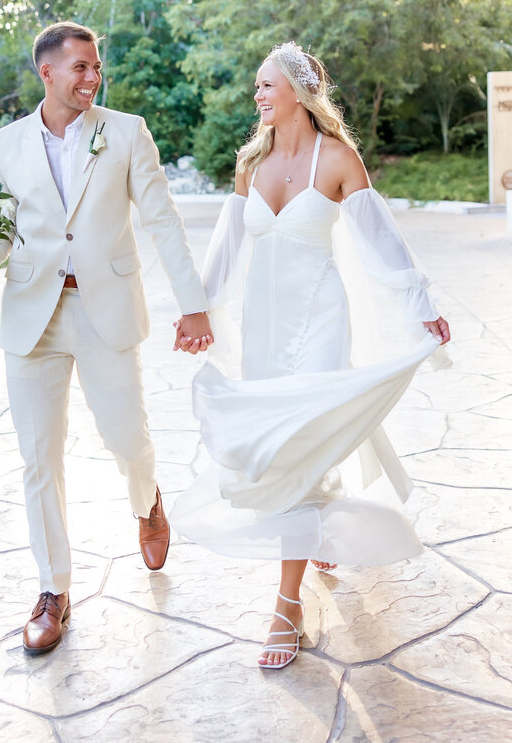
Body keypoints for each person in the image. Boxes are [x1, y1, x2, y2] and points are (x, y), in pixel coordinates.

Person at [171, 41, 450, 670]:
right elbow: (224, 252)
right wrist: (199, 309)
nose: (259, 97)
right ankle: (312, 531)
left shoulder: (340, 160)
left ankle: (286, 603)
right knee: (282, 447)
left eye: (267, 86)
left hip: (321, 320)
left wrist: (420, 305)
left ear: (299, 91)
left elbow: (383, 241)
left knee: (301, 441)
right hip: (265, 325)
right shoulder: (251, 164)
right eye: (257, 89)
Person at [0, 21, 213, 656]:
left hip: (105, 310)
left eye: (97, 67)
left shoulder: (126, 132)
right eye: (80, 69)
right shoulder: (3, 144)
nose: (93, 78)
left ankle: (146, 500)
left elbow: (163, 220)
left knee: (127, 438)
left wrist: (193, 306)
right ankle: (52, 589)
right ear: (46, 73)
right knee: (39, 458)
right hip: (32, 315)